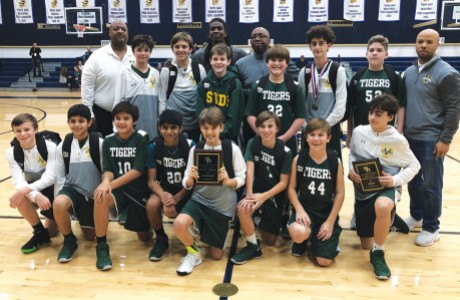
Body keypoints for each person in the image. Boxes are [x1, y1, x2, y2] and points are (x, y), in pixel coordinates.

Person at [349, 95, 420, 279]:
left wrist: (395, 180)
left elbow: (415, 165)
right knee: (365, 243)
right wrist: (350, 171)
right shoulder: (359, 132)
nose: (372, 117)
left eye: (378, 114)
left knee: (382, 206)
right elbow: (353, 154)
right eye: (371, 112)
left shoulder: (398, 140)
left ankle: (378, 253)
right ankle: (389, 219)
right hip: (364, 189)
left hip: (385, 188)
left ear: (390, 117)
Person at [173, 107, 246, 276]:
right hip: (199, 199)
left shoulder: (231, 148)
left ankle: (204, 229)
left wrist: (229, 181)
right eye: (205, 128)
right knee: (178, 224)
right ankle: (193, 253)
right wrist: (190, 180)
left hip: (222, 206)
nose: (209, 132)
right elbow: (186, 180)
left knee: (217, 256)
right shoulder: (196, 149)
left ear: (221, 127)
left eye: (213, 128)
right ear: (200, 128)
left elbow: (243, 176)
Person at [403, 29, 460, 246]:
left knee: (431, 184)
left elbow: (454, 109)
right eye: (420, 41)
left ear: (438, 45)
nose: (423, 45)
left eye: (429, 42)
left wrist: (445, 139)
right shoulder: (409, 72)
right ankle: (416, 216)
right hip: (409, 138)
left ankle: (431, 227)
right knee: (414, 182)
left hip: (432, 139)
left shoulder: (447, 73)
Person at [346, 35, 407, 231]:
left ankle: (388, 212)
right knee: (361, 174)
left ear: (386, 54)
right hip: (364, 136)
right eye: (371, 50)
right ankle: (360, 212)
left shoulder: (393, 76)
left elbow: (401, 106)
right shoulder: (358, 76)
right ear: (366, 54)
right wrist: (348, 134)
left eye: (379, 50)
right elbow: (351, 108)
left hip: (386, 136)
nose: (375, 53)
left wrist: (399, 131)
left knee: (387, 175)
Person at [93, 102, 151, 271]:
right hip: (119, 191)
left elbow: (138, 170)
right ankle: (102, 246)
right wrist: (105, 183)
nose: (121, 122)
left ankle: (130, 215)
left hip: (139, 191)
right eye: (118, 118)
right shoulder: (109, 141)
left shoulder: (141, 137)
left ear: (134, 121)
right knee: (100, 197)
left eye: (126, 118)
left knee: (145, 238)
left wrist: (109, 184)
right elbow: (108, 169)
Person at [230, 111, 292, 265]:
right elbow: (249, 170)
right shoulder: (253, 143)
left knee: (270, 241)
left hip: (273, 195)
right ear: (257, 128)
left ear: (277, 128)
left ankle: (261, 219)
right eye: (262, 126)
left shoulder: (285, 151)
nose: (266, 130)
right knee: (243, 208)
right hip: (256, 190)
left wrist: (263, 197)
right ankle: (252, 245)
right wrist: (250, 194)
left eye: (270, 126)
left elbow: (284, 183)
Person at [287, 118, 344, 266]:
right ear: (306, 137)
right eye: (312, 135)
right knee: (299, 233)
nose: (316, 139)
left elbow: (340, 193)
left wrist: (330, 222)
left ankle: (314, 240)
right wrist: (299, 210)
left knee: (324, 261)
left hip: (326, 212)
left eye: (320, 135)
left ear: (328, 137)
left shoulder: (334, 160)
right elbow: (291, 189)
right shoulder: (299, 159)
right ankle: (304, 238)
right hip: (306, 210)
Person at [54, 104, 103, 263]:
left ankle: (89, 218)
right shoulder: (64, 145)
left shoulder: (99, 143)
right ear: (68, 123)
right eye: (73, 121)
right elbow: (60, 176)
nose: (76, 124)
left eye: (81, 121)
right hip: (73, 190)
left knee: (90, 237)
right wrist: (59, 202)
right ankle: (69, 240)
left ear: (89, 123)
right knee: (59, 203)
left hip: (93, 194)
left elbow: (106, 173)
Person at [146, 110, 195, 261]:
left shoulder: (190, 146)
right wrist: (166, 198)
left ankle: (193, 238)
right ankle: (161, 238)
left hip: (186, 190)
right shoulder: (154, 147)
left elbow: (193, 181)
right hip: (164, 189)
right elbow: (151, 181)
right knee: (152, 205)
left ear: (181, 129)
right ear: (159, 129)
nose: (169, 132)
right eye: (165, 127)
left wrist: (177, 198)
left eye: (173, 128)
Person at [6, 113, 58, 253]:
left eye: (26, 129)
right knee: (20, 199)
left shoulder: (50, 146)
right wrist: (35, 196)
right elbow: (18, 181)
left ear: (35, 129)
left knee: (54, 231)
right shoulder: (11, 153)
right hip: (35, 191)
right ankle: (40, 233)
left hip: (54, 189)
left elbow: (51, 177)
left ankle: (62, 218)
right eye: (18, 130)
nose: (23, 134)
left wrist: (24, 191)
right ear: (14, 132)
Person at [245, 44, 306, 155]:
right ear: (267, 62)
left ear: (287, 63)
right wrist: (262, 134)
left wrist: (284, 138)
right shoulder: (258, 86)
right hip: (263, 140)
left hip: (287, 141)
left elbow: (300, 117)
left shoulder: (295, 87)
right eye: (273, 60)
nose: (277, 63)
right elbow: (250, 114)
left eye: (281, 60)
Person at [298, 25, 347, 160]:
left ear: (329, 45)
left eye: (321, 43)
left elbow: (340, 107)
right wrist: (307, 128)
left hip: (330, 130)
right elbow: (300, 106)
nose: (317, 47)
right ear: (309, 47)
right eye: (314, 44)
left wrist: (323, 128)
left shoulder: (338, 71)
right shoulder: (304, 72)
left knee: (332, 170)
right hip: (308, 131)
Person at [81, 20, 134, 137]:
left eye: (123, 29)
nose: (120, 31)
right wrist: (89, 113)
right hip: (101, 114)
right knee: (102, 151)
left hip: (130, 115)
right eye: (116, 29)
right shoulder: (97, 56)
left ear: (127, 33)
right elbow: (87, 87)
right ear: (109, 33)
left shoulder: (135, 55)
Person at [158, 32, 207, 142]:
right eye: (177, 47)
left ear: (190, 49)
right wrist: (162, 122)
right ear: (172, 49)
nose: (181, 50)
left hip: (194, 124)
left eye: (184, 47)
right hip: (173, 126)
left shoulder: (199, 69)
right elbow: (162, 99)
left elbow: (203, 98)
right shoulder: (166, 71)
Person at [113, 34, 160, 142]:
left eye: (146, 50)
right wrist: (116, 128)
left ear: (150, 52)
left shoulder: (156, 74)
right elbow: (118, 101)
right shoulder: (124, 73)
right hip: (130, 130)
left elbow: (160, 102)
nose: (143, 53)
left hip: (152, 130)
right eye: (139, 50)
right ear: (133, 51)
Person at [196, 43, 245, 143]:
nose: (218, 62)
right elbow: (200, 112)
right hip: (207, 135)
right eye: (215, 59)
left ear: (228, 61)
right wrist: (209, 132)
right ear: (210, 61)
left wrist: (219, 133)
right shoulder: (204, 83)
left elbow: (235, 116)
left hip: (228, 137)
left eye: (222, 59)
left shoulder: (235, 84)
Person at [236, 27, 300, 88]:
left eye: (261, 36)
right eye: (254, 37)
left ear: (269, 41)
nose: (257, 39)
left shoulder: (281, 61)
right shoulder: (240, 64)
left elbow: (300, 78)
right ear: (250, 42)